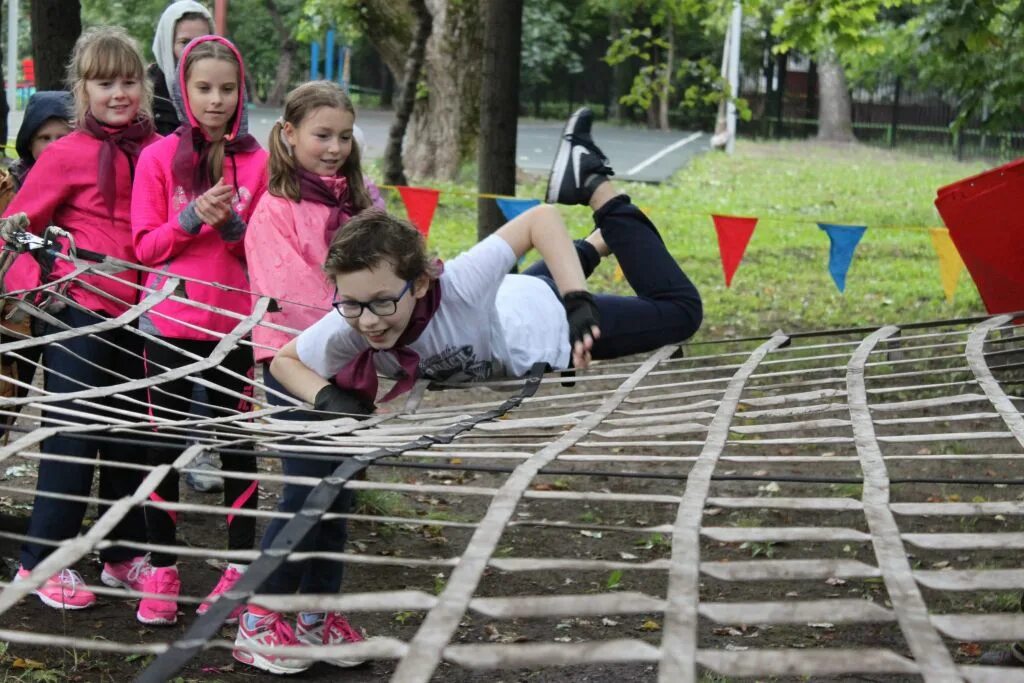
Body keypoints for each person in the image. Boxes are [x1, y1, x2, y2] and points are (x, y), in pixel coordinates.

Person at [230, 108, 702, 675]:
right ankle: (601, 244)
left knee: (679, 312)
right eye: (352, 304)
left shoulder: (457, 283)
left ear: (422, 279)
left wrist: (578, 302)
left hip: (543, 323)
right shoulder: (354, 312)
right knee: (524, 284)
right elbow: (285, 359)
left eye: (383, 302)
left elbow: (539, 219)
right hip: (508, 304)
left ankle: (599, 189)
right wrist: (327, 397)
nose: (370, 321)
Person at [1, 26, 160, 610]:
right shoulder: (65, 153)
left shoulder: (160, 149)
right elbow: (15, 233)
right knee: (74, 431)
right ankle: (41, 560)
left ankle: (121, 553)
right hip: (77, 314)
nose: (119, 92)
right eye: (103, 82)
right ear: (82, 90)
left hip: (144, 314)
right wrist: (39, 292)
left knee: (129, 432)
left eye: (129, 80)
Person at [232, 79, 384, 676]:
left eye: (344, 136)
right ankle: (259, 619)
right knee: (305, 495)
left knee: (337, 498)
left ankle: (317, 619)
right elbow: (295, 299)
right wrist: (371, 312)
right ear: (289, 134)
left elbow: (392, 260)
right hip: (296, 367)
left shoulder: (358, 201)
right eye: (322, 135)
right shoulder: (273, 209)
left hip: (354, 368)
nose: (334, 147)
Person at [130, 34, 267, 626]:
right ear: (182, 91)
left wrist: (234, 227)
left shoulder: (261, 161)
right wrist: (189, 219)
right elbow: (144, 246)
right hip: (166, 321)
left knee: (237, 446)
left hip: (235, 325)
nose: (215, 101)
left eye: (227, 89)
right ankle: (161, 568)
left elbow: (264, 255)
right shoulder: (159, 157)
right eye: (203, 89)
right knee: (161, 446)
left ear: (242, 93)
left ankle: (239, 570)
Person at [149, 1, 213, 136]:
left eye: (203, 41)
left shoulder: (222, 87)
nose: (195, 50)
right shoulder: (145, 93)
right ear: (167, 46)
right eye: (185, 42)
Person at [9, 91, 74, 191]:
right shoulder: (15, 181)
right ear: (30, 143)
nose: (53, 146)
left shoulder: (88, 176)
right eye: (45, 138)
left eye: (62, 138)